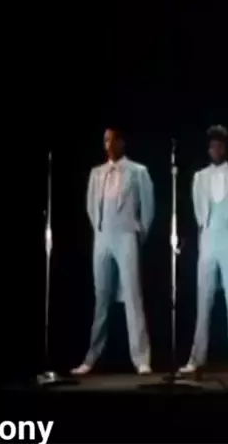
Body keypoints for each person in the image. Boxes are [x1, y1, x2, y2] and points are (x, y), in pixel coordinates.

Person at [72, 128, 155, 375]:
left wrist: (138, 233)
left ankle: (141, 358)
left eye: (112, 140)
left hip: (127, 234)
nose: (107, 144)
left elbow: (148, 208)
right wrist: (99, 230)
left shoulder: (138, 171)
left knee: (133, 296)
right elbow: (91, 206)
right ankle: (91, 357)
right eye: (105, 140)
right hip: (103, 237)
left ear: (121, 142)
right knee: (101, 297)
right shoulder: (96, 173)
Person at [179, 125, 228, 374]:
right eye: (212, 146)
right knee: (204, 299)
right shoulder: (200, 177)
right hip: (208, 236)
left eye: (219, 146)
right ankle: (196, 358)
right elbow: (198, 208)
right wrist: (205, 228)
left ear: (226, 148)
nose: (215, 150)